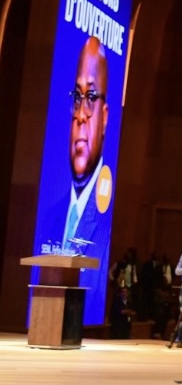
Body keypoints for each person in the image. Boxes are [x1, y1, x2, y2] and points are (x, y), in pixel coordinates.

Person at [61, 37, 111, 253]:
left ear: (105, 119)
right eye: (77, 97)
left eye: (91, 96)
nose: (81, 114)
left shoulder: (106, 229)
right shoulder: (49, 217)